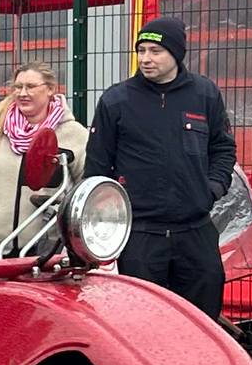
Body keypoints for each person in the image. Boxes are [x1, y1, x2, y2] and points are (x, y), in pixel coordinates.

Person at [86, 18, 235, 316]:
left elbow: (223, 148)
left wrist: (212, 189)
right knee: (142, 319)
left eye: (155, 51)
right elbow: (97, 168)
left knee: (203, 315)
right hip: (141, 233)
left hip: (195, 230)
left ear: (177, 54)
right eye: (141, 50)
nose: (145, 59)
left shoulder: (204, 94)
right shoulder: (117, 100)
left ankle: (197, 364)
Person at [0, 63, 89, 258]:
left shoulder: (73, 134)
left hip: (46, 250)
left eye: (30, 86)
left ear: (51, 89)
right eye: (17, 87)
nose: (22, 93)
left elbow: (86, 186)